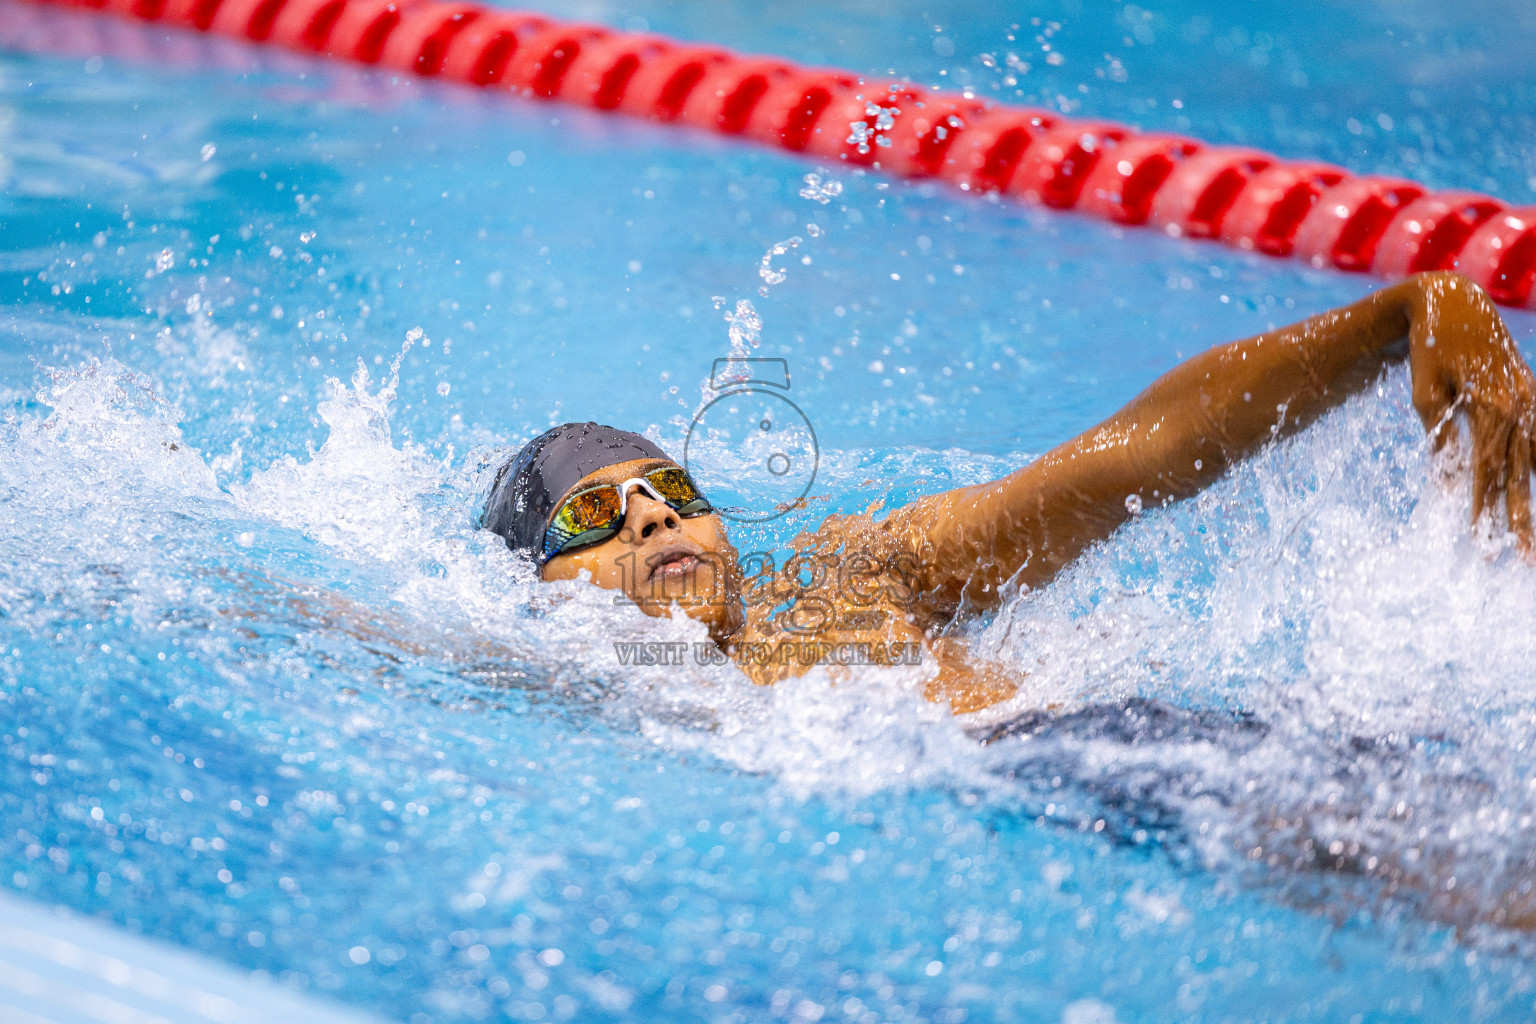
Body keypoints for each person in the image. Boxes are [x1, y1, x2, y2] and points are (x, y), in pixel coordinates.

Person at [482, 271, 1536, 713]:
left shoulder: (857, 574)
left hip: (1140, 765)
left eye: (669, 487)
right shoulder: (567, 682)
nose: (654, 513)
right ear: (539, 585)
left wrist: (1401, 314)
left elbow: (1128, 459)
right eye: (593, 513)